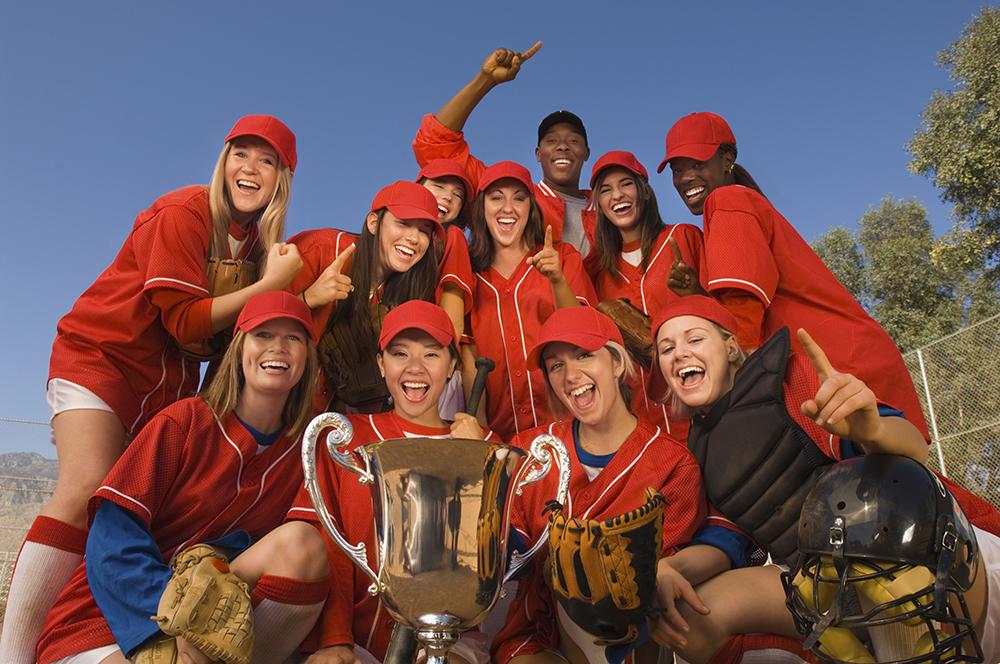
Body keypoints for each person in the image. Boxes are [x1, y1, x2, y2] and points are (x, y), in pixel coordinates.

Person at [0, 115, 303, 663]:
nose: (250, 168)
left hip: (165, 386)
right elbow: (188, 323)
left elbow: (251, 332)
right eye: (241, 154)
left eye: (268, 161)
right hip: (104, 357)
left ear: (282, 179)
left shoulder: (259, 244)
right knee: (88, 487)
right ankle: (13, 652)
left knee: (143, 510)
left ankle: (101, 636)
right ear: (224, 160)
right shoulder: (185, 211)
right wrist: (268, 286)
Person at [645, 295, 1000, 664]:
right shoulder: (701, 445)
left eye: (695, 339)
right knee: (689, 615)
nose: (680, 353)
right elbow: (728, 538)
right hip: (817, 580)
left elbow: (913, 451)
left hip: (925, 561)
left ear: (731, 347)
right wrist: (667, 568)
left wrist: (873, 430)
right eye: (667, 348)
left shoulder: (788, 378)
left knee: (858, 518)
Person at [34, 291, 329, 664]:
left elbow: (294, 558)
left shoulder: (304, 451)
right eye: (263, 335)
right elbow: (111, 541)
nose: (279, 348)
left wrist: (201, 621)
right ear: (239, 349)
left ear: (307, 357)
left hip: (212, 632)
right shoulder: (184, 421)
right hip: (108, 618)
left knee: (303, 542)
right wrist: (173, 622)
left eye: (294, 338)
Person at [657, 111, 931, 442]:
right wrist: (699, 292)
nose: (685, 176)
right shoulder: (742, 202)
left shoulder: (727, 200)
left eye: (697, 163)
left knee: (887, 487)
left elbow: (743, 312)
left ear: (727, 159)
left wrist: (731, 400)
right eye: (677, 168)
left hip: (841, 367)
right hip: (844, 366)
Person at [491, 306, 707, 664]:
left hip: (631, 642)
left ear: (617, 364)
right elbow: (509, 554)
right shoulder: (531, 449)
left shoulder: (674, 463)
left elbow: (659, 582)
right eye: (556, 365)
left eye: (583, 355)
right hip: (535, 634)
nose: (570, 375)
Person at [286, 300, 497, 664]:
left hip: (450, 639)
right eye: (400, 353)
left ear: (450, 367)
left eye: (431, 355)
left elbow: (499, 558)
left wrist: (479, 462)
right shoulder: (346, 438)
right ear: (381, 363)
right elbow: (323, 542)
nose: (415, 368)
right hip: (352, 638)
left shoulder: (482, 445)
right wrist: (334, 638)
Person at [413, 42, 597, 256]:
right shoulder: (509, 197)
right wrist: (486, 80)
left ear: (586, 152)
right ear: (538, 153)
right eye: (551, 141)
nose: (562, 146)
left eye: (573, 141)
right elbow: (437, 144)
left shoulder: (610, 205)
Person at [464, 160, 597, 441]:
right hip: (502, 442)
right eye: (496, 197)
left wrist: (558, 279)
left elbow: (587, 341)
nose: (508, 208)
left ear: (531, 208)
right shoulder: (470, 277)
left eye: (519, 198)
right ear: (482, 208)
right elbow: (469, 364)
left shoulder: (563, 257)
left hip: (574, 433)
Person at [287, 181, 444, 413]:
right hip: (268, 410)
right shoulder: (319, 249)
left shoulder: (406, 295)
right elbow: (251, 330)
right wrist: (307, 299)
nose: (413, 238)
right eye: (403, 223)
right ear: (373, 223)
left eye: (423, 230)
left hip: (329, 422)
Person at [587, 150, 704, 438]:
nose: (617, 195)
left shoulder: (683, 237)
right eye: (606, 190)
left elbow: (725, 320)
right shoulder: (598, 271)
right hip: (639, 424)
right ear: (599, 206)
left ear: (645, 192)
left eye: (626, 184)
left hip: (701, 414)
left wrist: (696, 292)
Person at [416, 158, 477, 417]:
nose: (447, 198)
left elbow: (453, 317)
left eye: (458, 195)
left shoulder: (453, 237)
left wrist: (435, 365)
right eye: (439, 186)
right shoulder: (399, 235)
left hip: (437, 366)